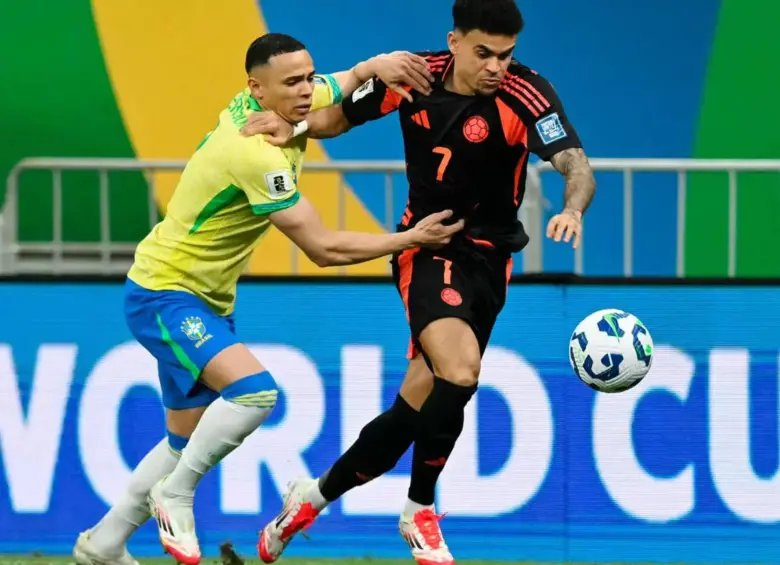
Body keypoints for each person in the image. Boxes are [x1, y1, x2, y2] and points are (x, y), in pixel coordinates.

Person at [71, 33, 461, 565]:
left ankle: (104, 544)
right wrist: (409, 239)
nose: (305, 92)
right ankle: (176, 495)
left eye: (306, 78)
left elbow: (337, 85)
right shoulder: (254, 152)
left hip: (203, 299)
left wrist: (372, 64)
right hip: (165, 294)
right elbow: (322, 247)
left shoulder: (273, 104)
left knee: (179, 444)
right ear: (256, 88)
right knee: (255, 394)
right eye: (292, 83)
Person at [243, 2, 597, 565]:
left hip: (491, 261)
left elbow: (576, 166)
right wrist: (294, 126)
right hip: (428, 246)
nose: (496, 67)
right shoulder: (411, 75)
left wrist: (573, 210)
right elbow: (337, 120)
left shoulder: (529, 94)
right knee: (460, 370)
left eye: (506, 55)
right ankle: (419, 511)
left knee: (413, 412)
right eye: (484, 53)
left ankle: (307, 500)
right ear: (453, 41)